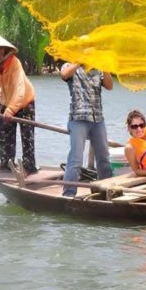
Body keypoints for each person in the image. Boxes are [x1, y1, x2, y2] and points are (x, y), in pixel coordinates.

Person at [0, 34, 38, 174]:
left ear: (5, 50)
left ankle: (29, 167)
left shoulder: (15, 63)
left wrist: (10, 110)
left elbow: (19, 88)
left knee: (27, 135)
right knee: (2, 133)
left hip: (25, 101)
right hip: (5, 100)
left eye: (0, 49)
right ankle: (6, 163)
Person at [60, 62, 114, 196]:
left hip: (97, 119)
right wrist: (79, 61)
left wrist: (104, 65)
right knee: (76, 159)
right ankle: (69, 194)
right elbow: (64, 75)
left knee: (104, 158)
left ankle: (105, 191)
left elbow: (110, 86)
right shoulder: (69, 66)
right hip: (78, 119)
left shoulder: (98, 69)